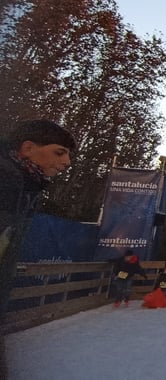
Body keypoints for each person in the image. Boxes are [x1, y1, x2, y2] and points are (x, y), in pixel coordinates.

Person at [0, 120, 75, 376]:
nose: (66, 162)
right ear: (28, 148)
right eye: (59, 152)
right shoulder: (6, 181)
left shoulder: (27, 189)